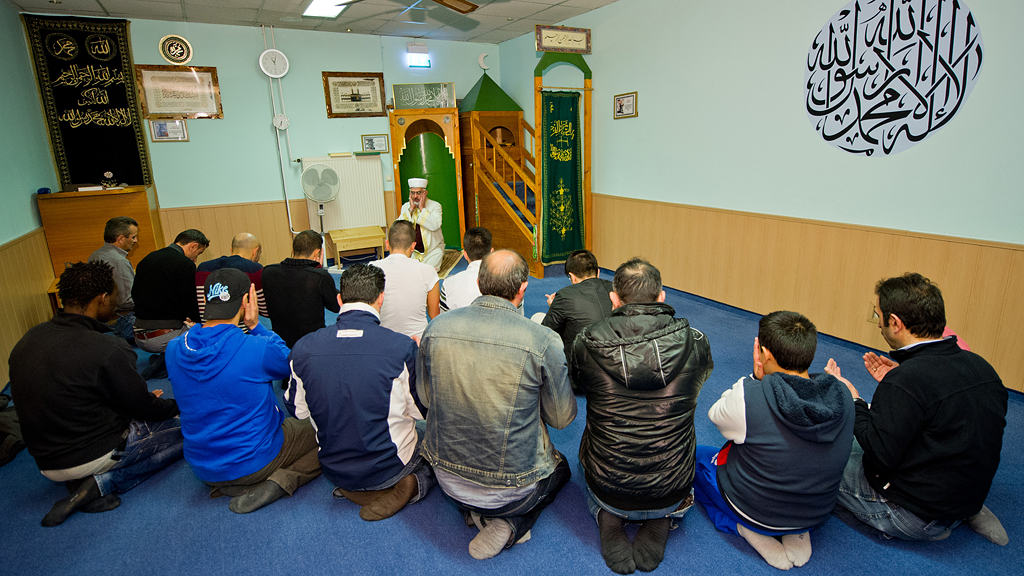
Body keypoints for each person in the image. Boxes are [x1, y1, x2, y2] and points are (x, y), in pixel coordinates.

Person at [825, 273, 1009, 545]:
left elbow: (879, 455)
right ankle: (967, 512)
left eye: (879, 316)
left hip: (914, 515)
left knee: (818, 461)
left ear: (896, 323)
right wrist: (900, 386)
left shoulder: (908, 380)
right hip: (965, 497)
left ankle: (894, 527)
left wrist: (854, 402)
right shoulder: (981, 366)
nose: (878, 324)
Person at [418, 250, 577, 560]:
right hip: (511, 488)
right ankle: (512, 521)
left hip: (447, 478)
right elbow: (562, 419)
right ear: (523, 289)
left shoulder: (435, 328)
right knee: (561, 469)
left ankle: (473, 510)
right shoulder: (543, 340)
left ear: (479, 282)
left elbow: (425, 400)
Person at [8, 261, 183, 527]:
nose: (116, 301)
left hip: (44, 460)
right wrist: (174, 406)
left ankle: (87, 482)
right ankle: (101, 484)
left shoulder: (27, 340)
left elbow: (69, 393)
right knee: (193, 433)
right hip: (93, 454)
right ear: (102, 299)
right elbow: (144, 409)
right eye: (113, 296)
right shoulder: (107, 347)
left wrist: (134, 400)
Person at [569, 257, 713, 574]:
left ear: (614, 299)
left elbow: (579, 385)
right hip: (672, 484)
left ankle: (608, 515)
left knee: (588, 442)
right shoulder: (697, 342)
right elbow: (699, 384)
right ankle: (664, 516)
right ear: (661, 297)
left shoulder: (586, 342)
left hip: (609, 485)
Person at [693, 311, 853, 570]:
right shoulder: (843, 394)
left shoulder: (751, 396)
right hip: (815, 513)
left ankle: (744, 529)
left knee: (694, 460)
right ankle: (798, 531)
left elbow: (716, 415)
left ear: (763, 353)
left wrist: (755, 378)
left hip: (755, 512)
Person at [166, 268, 321, 514]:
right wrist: (257, 325)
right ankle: (278, 482)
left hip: (203, 468)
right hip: (254, 461)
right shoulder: (256, 348)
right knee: (330, 428)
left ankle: (237, 483)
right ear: (247, 301)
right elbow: (292, 362)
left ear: (206, 301)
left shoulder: (173, 348)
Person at [290, 264, 435, 521]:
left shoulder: (303, 348)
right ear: (381, 298)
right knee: (432, 437)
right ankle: (408, 486)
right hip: (389, 468)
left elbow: (298, 412)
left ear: (339, 299)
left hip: (334, 469)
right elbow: (423, 411)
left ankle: (352, 489)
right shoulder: (400, 348)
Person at [131, 229, 209, 379]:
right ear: (193, 246)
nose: (196, 259)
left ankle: (165, 357)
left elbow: (134, 294)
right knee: (206, 335)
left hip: (138, 334)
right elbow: (190, 304)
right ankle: (162, 366)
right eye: (198, 253)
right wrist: (200, 325)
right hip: (162, 337)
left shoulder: (147, 258)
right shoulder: (184, 264)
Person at [539, 249, 614, 380]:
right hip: (615, 369)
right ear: (598, 272)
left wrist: (554, 307)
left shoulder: (564, 295)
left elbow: (545, 332)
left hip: (580, 376)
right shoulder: (615, 289)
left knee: (538, 319)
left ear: (572, 277)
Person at [262, 230, 340, 349]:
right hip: (312, 344)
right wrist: (318, 268)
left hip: (281, 343)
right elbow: (336, 306)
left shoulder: (268, 272)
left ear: (293, 252)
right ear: (317, 253)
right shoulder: (319, 277)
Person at [370, 220, 440, 339]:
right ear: (413, 246)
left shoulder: (372, 268)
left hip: (383, 341)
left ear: (387, 244)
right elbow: (435, 315)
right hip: (417, 342)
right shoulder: (428, 271)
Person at [87, 216, 139, 341]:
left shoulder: (94, 255)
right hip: (123, 322)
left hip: (103, 321)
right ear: (121, 239)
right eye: (133, 237)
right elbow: (127, 301)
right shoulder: (120, 262)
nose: (136, 240)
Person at [195, 232, 267, 321]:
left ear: (231, 250)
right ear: (255, 252)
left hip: (207, 329)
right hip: (240, 330)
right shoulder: (254, 269)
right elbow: (264, 309)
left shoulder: (203, 268)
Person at [439, 226, 492, 312]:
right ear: (491, 252)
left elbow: (444, 320)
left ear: (465, 255)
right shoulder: (507, 280)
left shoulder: (448, 284)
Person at [397, 177, 444, 270]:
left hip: (432, 251)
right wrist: (411, 210)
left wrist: (422, 209)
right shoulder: (406, 207)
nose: (415, 196)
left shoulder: (435, 206)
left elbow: (435, 225)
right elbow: (399, 227)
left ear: (425, 193)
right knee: (406, 269)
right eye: (413, 193)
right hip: (413, 252)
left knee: (429, 270)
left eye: (418, 193)